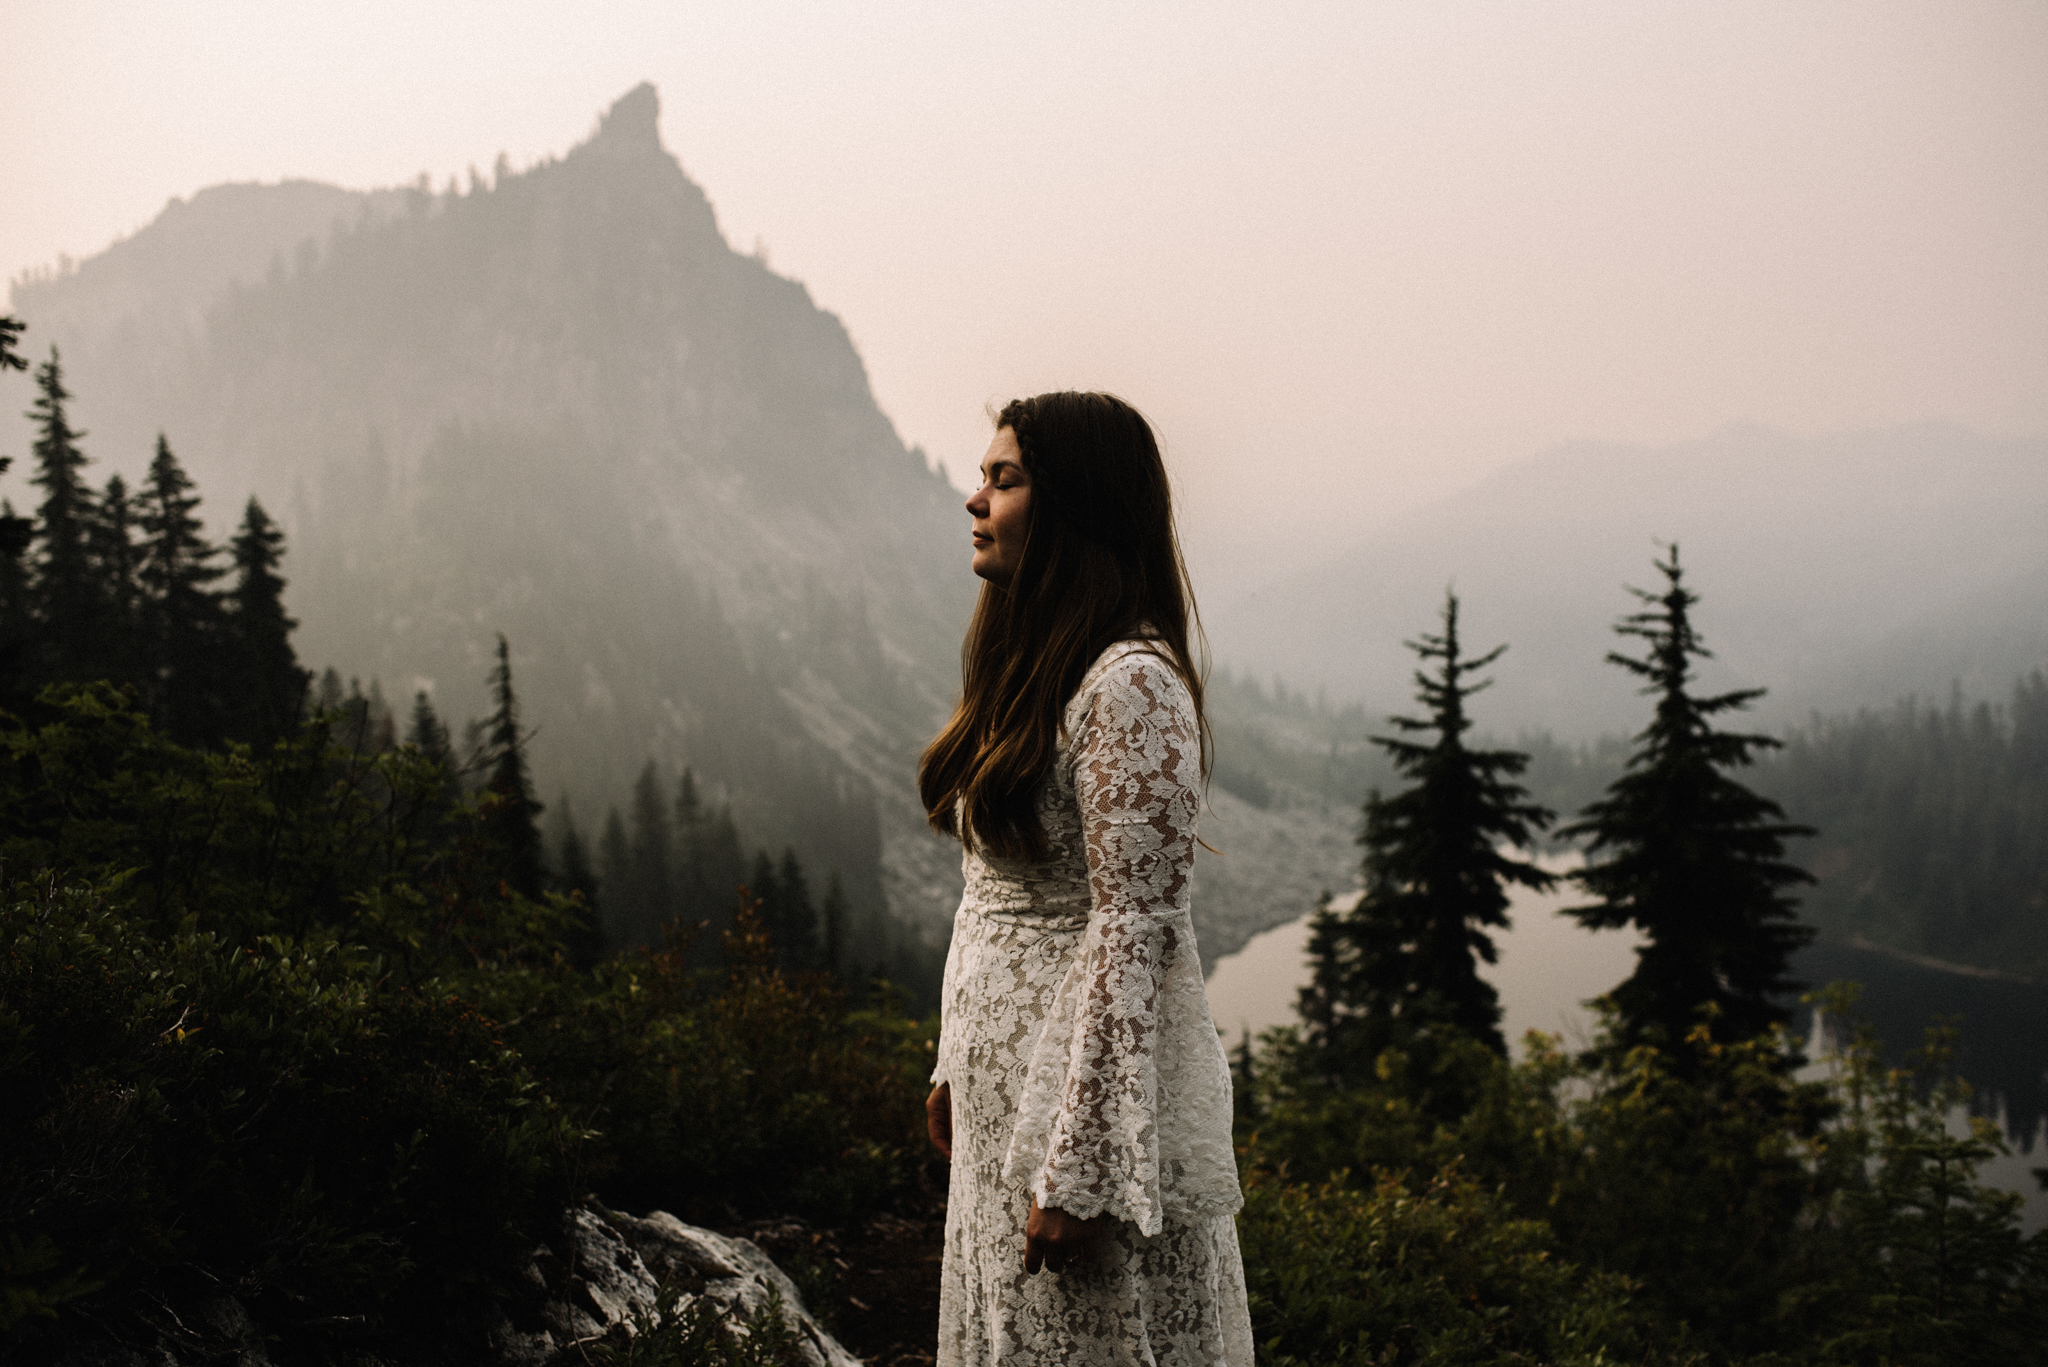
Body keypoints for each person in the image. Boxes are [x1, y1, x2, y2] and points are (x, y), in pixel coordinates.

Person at [920, 392, 1252, 1365]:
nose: (974, 499)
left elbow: (1134, 927)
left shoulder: (1129, 681)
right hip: (1004, 1109)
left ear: (1075, 505)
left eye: (1003, 478)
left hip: (1067, 1122)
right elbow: (993, 893)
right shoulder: (1039, 671)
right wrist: (953, 1057)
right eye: (983, 475)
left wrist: (1084, 1167)